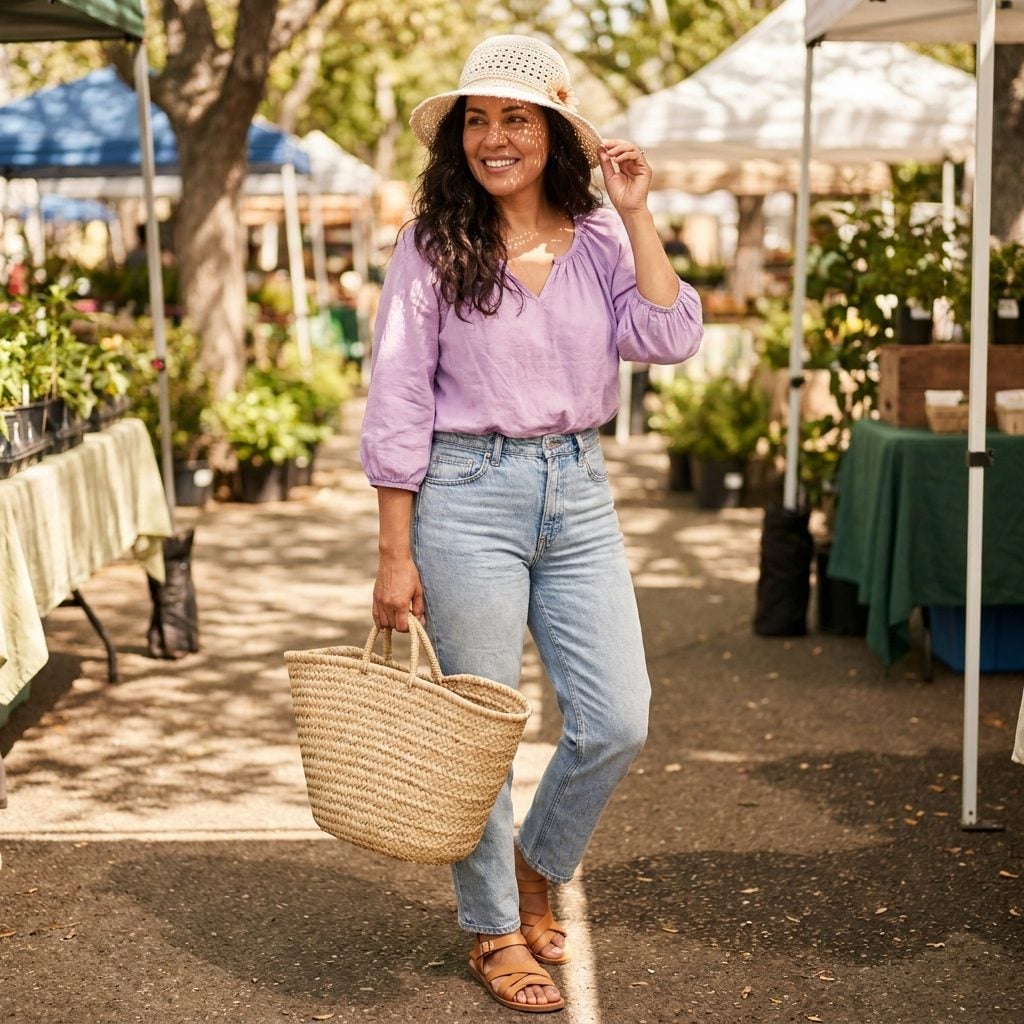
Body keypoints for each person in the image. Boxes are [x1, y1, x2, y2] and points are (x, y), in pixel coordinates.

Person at [360, 34, 703, 1013]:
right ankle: (493, 927)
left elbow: (669, 334)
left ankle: (535, 863)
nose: (494, 137)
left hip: (579, 489)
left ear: (554, 134)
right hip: (466, 493)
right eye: (477, 119)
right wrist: (393, 554)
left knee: (617, 717)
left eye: (516, 118)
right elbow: (397, 396)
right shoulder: (432, 242)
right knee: (483, 734)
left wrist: (635, 212)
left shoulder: (598, 239)